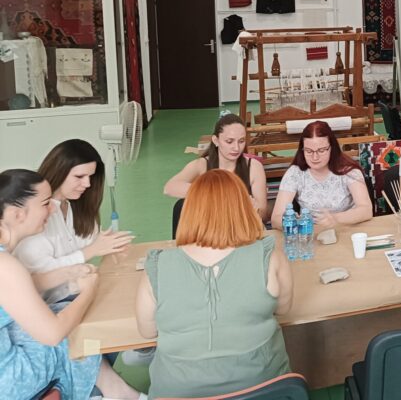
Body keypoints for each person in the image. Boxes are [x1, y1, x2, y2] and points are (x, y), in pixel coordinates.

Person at [136, 170, 292, 399]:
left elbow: (147, 331)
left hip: (178, 393)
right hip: (266, 390)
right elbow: (284, 309)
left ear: (190, 210)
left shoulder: (157, 265)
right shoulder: (270, 256)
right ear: (242, 207)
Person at [0, 169, 143, 400]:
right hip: (8, 379)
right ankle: (114, 391)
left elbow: (17, 288)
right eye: (46, 203)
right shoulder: (5, 265)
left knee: (61, 310)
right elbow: (52, 334)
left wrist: (68, 272)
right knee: (76, 326)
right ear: (18, 214)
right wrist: (89, 291)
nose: (53, 208)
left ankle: (114, 390)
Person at [15, 140, 133, 303]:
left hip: (76, 292)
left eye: (91, 176)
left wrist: (110, 245)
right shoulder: (35, 216)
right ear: (59, 171)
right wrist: (90, 251)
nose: (87, 184)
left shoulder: (77, 206)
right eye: (79, 177)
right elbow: (39, 274)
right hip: (47, 304)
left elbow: (91, 242)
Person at [164, 113, 269, 222]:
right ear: (216, 140)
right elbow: (170, 187)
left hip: (240, 225)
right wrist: (220, 194)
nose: (236, 148)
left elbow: (263, 214)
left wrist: (253, 210)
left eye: (241, 141)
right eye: (229, 141)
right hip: (209, 225)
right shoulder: (202, 165)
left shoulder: (254, 167)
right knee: (180, 206)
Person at [271, 120, 373, 231]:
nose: (315, 157)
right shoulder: (295, 173)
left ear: (331, 148)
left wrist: (335, 219)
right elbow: (275, 218)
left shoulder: (348, 170)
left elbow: (366, 210)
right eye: (309, 151)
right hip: (311, 234)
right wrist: (291, 222)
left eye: (321, 150)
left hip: (348, 230)